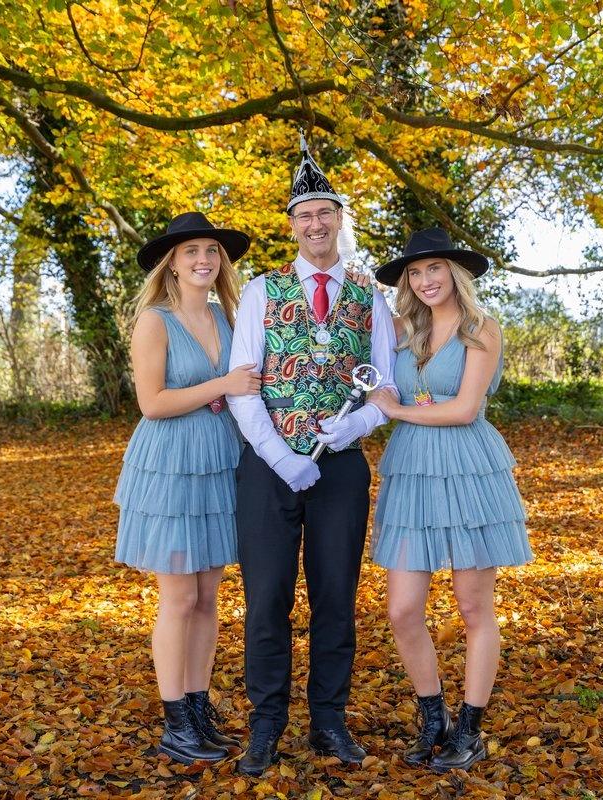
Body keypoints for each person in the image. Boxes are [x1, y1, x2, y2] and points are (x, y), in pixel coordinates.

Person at [225, 141, 396, 776]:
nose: (316, 224)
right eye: (305, 215)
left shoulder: (369, 294)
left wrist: (355, 423)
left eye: (325, 213)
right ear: (292, 225)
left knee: (335, 596)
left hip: (341, 470)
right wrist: (279, 456)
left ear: (339, 219)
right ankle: (266, 723)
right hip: (268, 468)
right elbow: (242, 385)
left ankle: (329, 720)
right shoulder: (260, 292)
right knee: (267, 597)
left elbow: (385, 388)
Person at [367, 226, 533, 771]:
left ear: (454, 272)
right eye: (414, 273)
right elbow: (354, 335)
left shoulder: (482, 329)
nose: (424, 280)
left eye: (433, 268)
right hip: (412, 469)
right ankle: (432, 717)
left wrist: (396, 410)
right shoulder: (403, 329)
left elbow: (464, 409)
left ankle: (470, 729)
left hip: (467, 468)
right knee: (402, 609)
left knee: (472, 606)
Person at [113, 211, 260, 764]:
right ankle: (175, 721)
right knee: (178, 598)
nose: (204, 259)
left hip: (219, 460)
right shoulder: (154, 322)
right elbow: (152, 403)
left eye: (212, 251)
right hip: (173, 463)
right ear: (171, 263)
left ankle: (198, 709)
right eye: (192, 251)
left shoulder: (226, 316)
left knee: (207, 597)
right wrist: (222, 384)